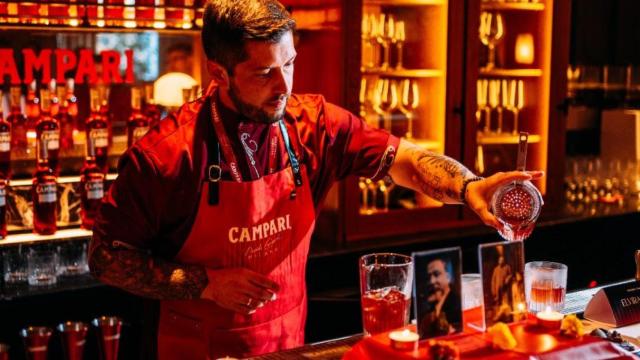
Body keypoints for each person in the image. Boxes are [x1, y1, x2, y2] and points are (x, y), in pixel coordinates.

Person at [88, 1, 543, 358]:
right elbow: (105, 258)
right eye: (264, 72)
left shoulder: (315, 125)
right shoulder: (166, 155)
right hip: (196, 348)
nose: (283, 85)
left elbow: (406, 159)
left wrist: (468, 186)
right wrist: (204, 283)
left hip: (289, 343)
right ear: (219, 73)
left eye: (288, 64)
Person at [418, 258, 461, 338]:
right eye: (428, 277)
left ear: (448, 277)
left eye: (436, 274)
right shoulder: (431, 308)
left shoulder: (456, 307)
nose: (431, 281)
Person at [491, 255, 513, 322]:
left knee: (506, 303)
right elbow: (493, 281)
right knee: (498, 303)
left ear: (504, 261)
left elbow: (511, 274)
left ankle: (507, 317)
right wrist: (493, 290)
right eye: (500, 260)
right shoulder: (496, 269)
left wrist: (508, 278)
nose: (501, 261)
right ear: (498, 261)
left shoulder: (507, 267)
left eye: (502, 260)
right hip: (498, 290)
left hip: (505, 289)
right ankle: (499, 318)